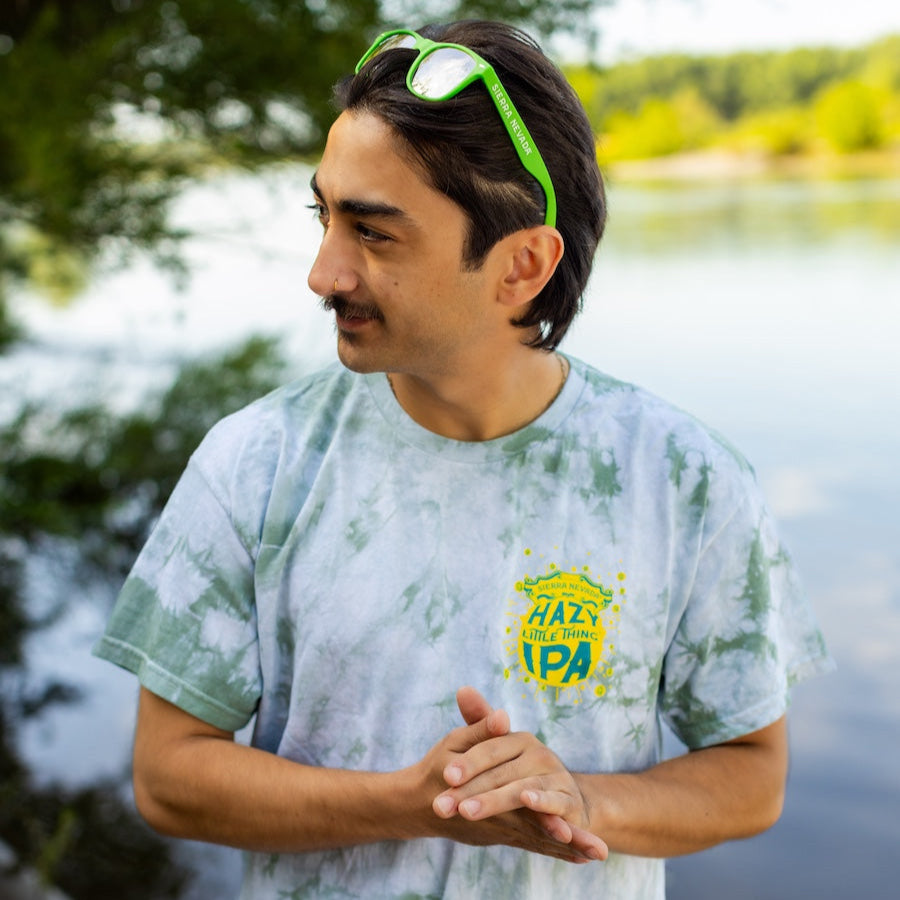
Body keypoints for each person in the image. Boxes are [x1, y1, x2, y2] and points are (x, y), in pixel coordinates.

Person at [93, 19, 832, 899]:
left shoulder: (684, 480)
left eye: (372, 232)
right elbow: (169, 779)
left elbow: (751, 776)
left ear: (522, 265)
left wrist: (580, 800)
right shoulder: (255, 464)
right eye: (324, 215)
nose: (322, 272)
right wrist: (411, 803)